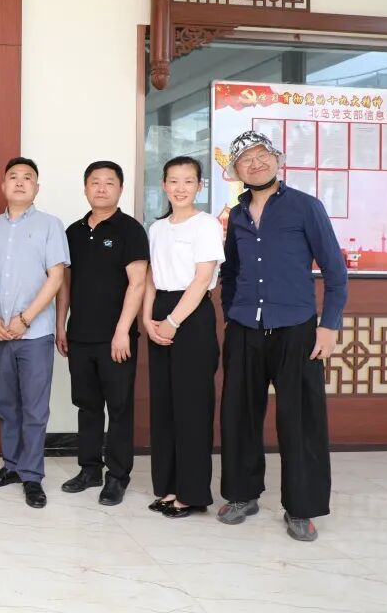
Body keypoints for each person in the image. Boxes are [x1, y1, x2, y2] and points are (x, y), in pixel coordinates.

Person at [218, 130, 347, 542]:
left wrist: (329, 325)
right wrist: (230, 313)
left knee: (301, 420)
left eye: (262, 156)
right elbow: (231, 271)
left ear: (277, 159)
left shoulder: (306, 206)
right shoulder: (237, 215)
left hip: (296, 328)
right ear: (236, 171)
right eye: (245, 160)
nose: (255, 164)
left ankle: (301, 508)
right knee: (239, 414)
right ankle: (242, 494)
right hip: (244, 327)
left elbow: (335, 271)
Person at [56, 160, 148, 506]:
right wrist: (61, 324)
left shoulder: (130, 230)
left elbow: (137, 284)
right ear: (85, 188)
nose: (102, 188)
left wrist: (123, 330)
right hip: (80, 336)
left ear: (120, 189)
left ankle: (118, 476)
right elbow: (65, 285)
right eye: (95, 182)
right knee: (87, 405)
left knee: (119, 408)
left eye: (110, 182)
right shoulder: (73, 232)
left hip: (116, 339)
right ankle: (90, 469)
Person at [0, 157, 68, 509]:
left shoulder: (50, 225)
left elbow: (56, 278)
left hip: (35, 333)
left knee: (34, 408)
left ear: (37, 187)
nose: (19, 182)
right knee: (5, 404)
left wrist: (26, 319)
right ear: (3, 185)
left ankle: (32, 476)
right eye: (13, 177)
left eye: (27, 177)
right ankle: (12, 466)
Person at [142, 156, 223, 519]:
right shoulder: (157, 228)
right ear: (163, 185)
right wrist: (148, 319)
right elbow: (150, 277)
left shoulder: (206, 225)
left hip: (191, 315)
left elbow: (203, 279)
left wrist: (173, 321)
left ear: (199, 186)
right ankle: (169, 486)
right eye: (173, 181)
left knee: (192, 406)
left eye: (188, 181)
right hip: (160, 311)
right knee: (164, 406)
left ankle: (191, 493)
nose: (180, 188)